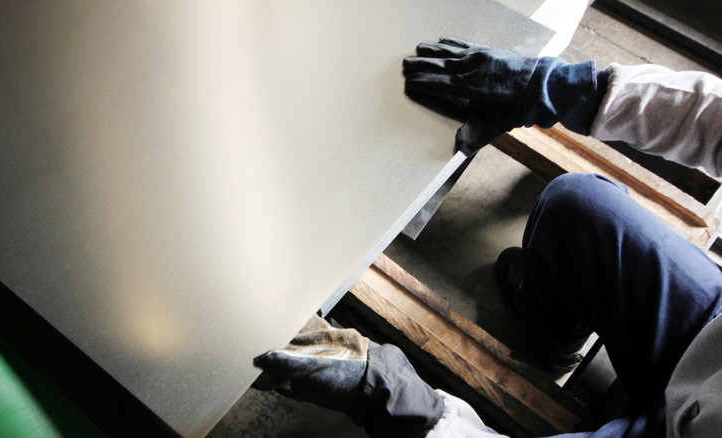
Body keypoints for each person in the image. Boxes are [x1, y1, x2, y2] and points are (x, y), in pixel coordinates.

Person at [254, 38, 722, 438]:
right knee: (576, 203)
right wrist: (567, 89)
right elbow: (712, 116)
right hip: (711, 337)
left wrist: (391, 397)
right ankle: (552, 345)